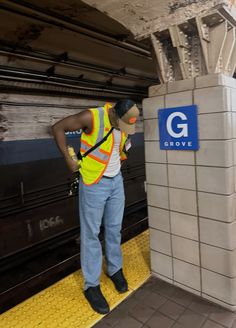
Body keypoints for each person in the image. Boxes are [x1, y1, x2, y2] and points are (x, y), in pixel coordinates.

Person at [51, 99, 139, 314]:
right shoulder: (92, 117)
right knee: (91, 234)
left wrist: (120, 156)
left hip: (116, 182)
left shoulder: (124, 123)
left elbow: (120, 147)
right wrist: (69, 158)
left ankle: (114, 269)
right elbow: (58, 128)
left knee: (114, 229)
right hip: (93, 183)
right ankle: (91, 285)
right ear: (114, 116)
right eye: (123, 125)